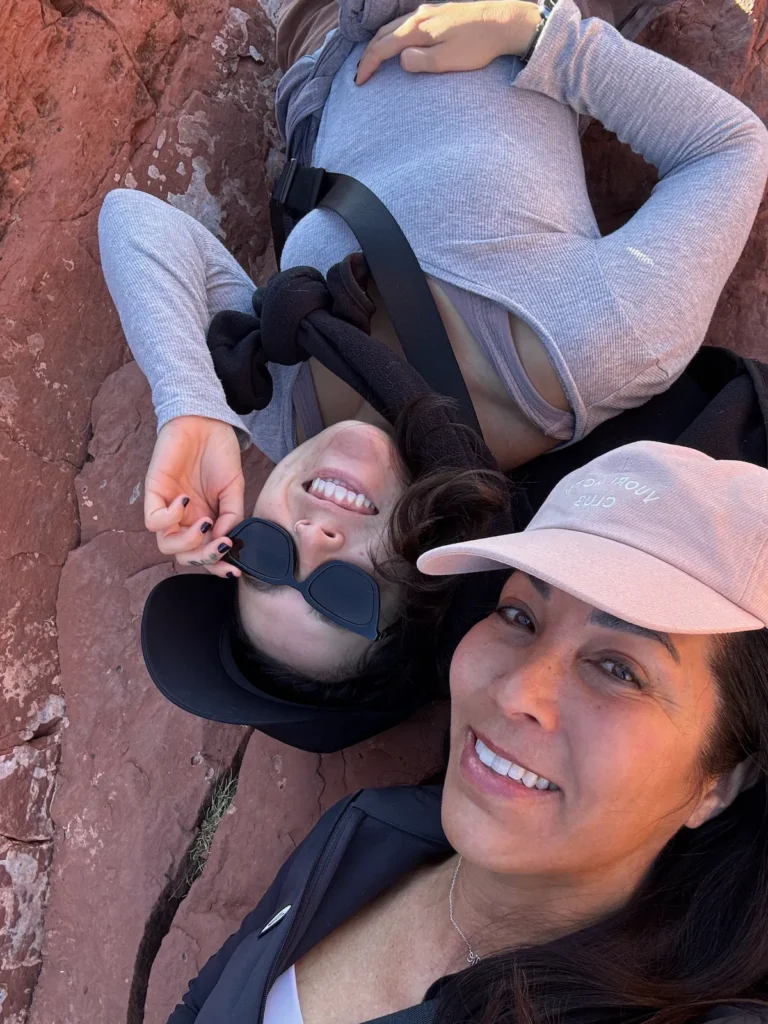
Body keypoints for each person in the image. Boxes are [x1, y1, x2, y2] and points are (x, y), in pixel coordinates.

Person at [97, 0, 767, 735]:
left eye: (262, 559)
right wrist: (540, 37)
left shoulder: (276, 403)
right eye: (344, 595)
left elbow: (136, 218)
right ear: (430, 580)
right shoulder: (590, 352)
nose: (312, 539)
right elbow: (729, 148)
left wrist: (190, 406)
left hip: (312, 39)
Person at [165, 441, 768, 1024]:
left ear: (722, 778)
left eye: (619, 669)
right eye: (518, 615)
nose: (515, 692)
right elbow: (205, 1003)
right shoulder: (371, 829)